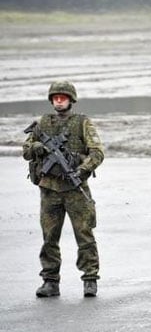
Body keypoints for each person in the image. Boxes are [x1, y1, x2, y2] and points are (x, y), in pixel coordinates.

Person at [22, 80, 104, 298]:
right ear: (52, 100)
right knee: (49, 237)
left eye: (63, 98)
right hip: (49, 189)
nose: (59, 101)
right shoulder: (42, 124)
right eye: (56, 98)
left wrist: (81, 170)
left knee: (84, 235)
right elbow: (26, 150)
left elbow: (97, 153)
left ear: (71, 100)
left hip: (75, 190)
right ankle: (50, 281)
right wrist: (37, 147)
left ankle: (89, 279)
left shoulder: (82, 123)